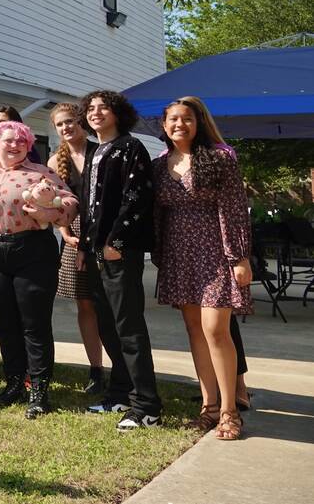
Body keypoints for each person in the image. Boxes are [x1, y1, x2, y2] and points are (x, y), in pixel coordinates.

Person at [153, 97, 252, 440]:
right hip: (179, 254)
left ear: (199, 123)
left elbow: (233, 209)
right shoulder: (159, 164)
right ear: (164, 125)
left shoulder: (219, 158)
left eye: (187, 119)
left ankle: (230, 411)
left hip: (216, 253)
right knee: (194, 330)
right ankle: (209, 408)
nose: (179, 124)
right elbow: (158, 214)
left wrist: (239, 257)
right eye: (173, 119)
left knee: (216, 331)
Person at [0, 121, 77, 418]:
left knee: (35, 324)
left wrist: (49, 212)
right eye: (8, 140)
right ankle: (14, 383)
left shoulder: (41, 172)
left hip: (32, 251)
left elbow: (71, 202)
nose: (15, 145)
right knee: (6, 324)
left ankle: (39, 390)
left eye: (21, 141)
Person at [79, 90, 162, 431]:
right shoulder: (95, 151)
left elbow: (137, 199)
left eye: (104, 107)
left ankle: (147, 406)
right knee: (107, 325)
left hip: (119, 252)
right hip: (95, 252)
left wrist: (116, 241)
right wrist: (86, 247)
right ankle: (119, 394)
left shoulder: (130, 147)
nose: (96, 112)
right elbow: (89, 206)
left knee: (129, 328)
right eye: (91, 108)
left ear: (118, 113)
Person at [48, 102, 106, 394]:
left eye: (70, 121)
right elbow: (52, 204)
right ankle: (96, 369)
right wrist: (65, 233)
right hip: (73, 235)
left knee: (108, 303)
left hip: (103, 233)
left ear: (81, 121)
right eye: (60, 124)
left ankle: (122, 365)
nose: (66, 127)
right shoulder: (54, 161)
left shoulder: (102, 152)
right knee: (85, 303)